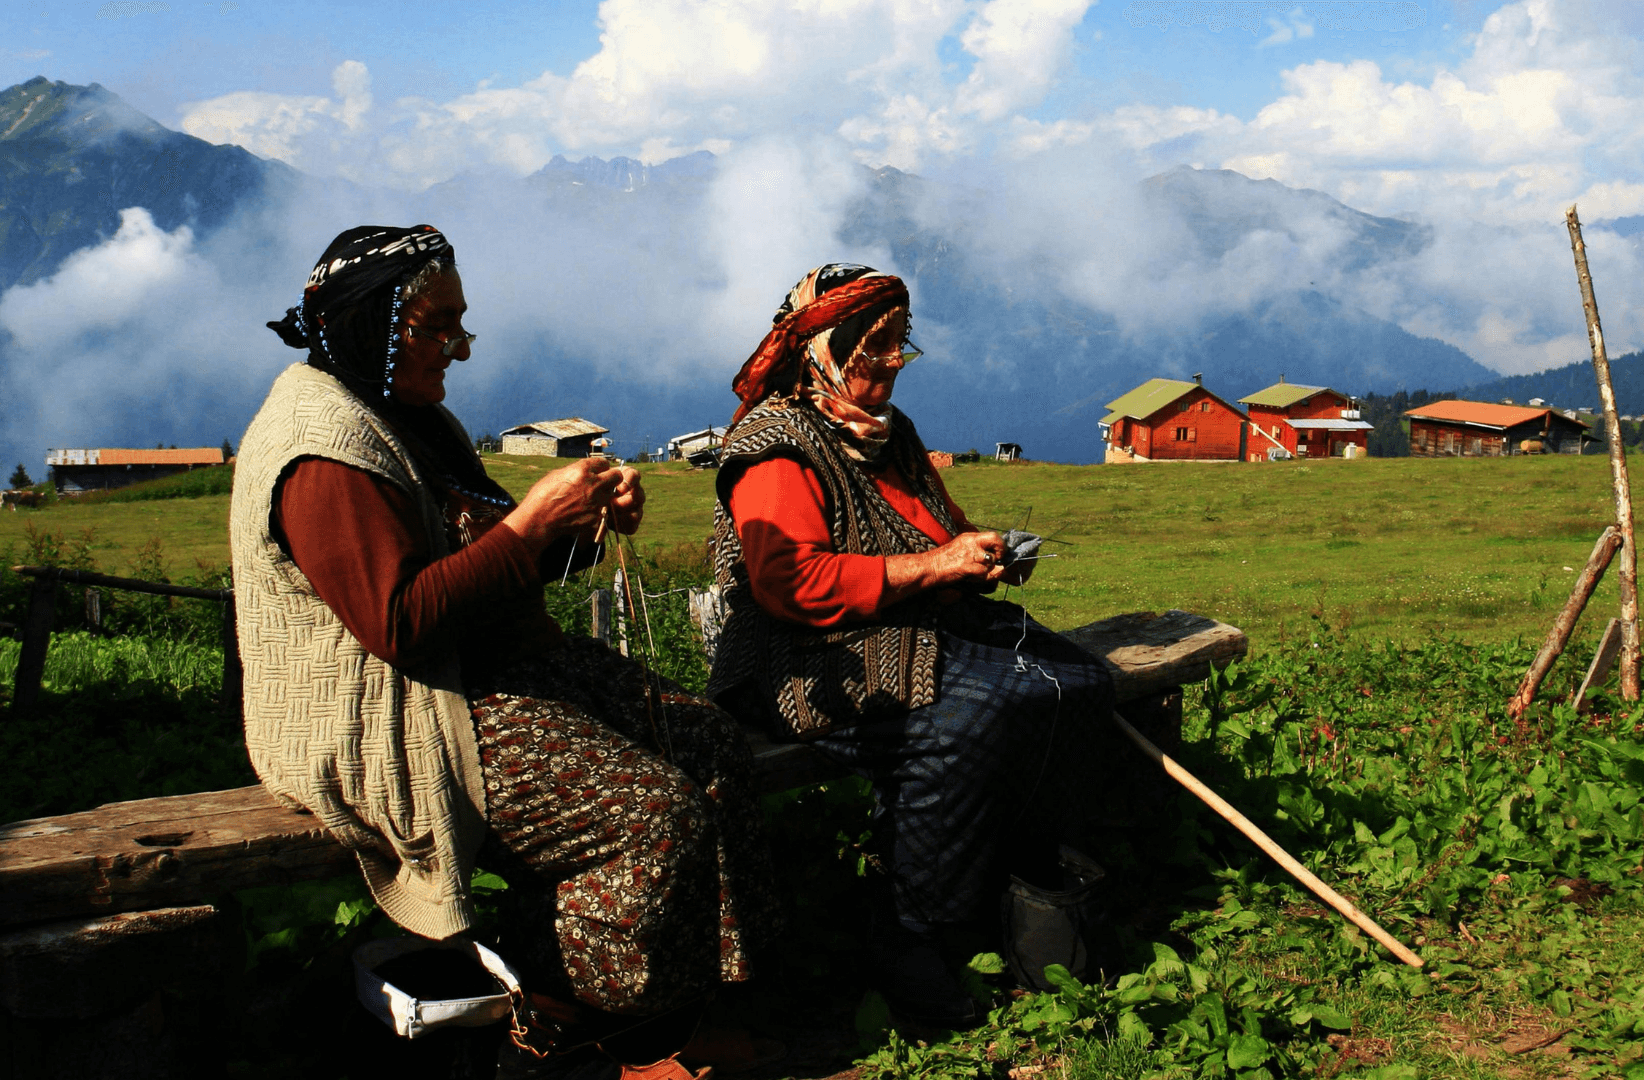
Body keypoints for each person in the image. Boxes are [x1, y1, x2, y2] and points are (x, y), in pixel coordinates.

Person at [230, 225, 780, 1079]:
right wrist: (530, 526)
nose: (459, 348)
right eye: (437, 328)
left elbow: (485, 559)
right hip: (402, 709)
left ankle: (686, 1004)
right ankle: (558, 1022)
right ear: (371, 328)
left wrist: (579, 527)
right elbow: (399, 624)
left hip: (478, 671)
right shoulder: (322, 448)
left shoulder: (411, 416)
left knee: (709, 746)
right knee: (653, 816)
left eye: (462, 325)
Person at [705, 263, 1115, 1028]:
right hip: (802, 660)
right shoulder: (776, 447)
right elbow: (791, 584)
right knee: (965, 724)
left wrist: (982, 553)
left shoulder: (891, 434)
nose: (895, 361)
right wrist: (936, 567)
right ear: (826, 350)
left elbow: (940, 528)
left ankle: (1020, 884)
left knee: (1079, 681)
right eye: (877, 345)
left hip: (906, 628)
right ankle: (908, 929)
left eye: (903, 342)